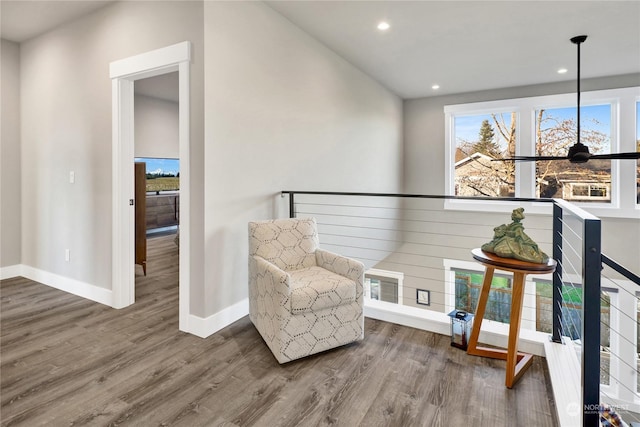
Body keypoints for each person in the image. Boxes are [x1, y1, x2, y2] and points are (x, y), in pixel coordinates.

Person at [481, 208, 549, 264]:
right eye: (512, 215)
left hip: (512, 242)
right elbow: (506, 229)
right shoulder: (512, 225)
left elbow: (519, 238)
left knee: (499, 250)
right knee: (490, 247)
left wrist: (521, 250)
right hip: (506, 239)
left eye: (513, 215)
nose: (512, 216)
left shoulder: (518, 227)